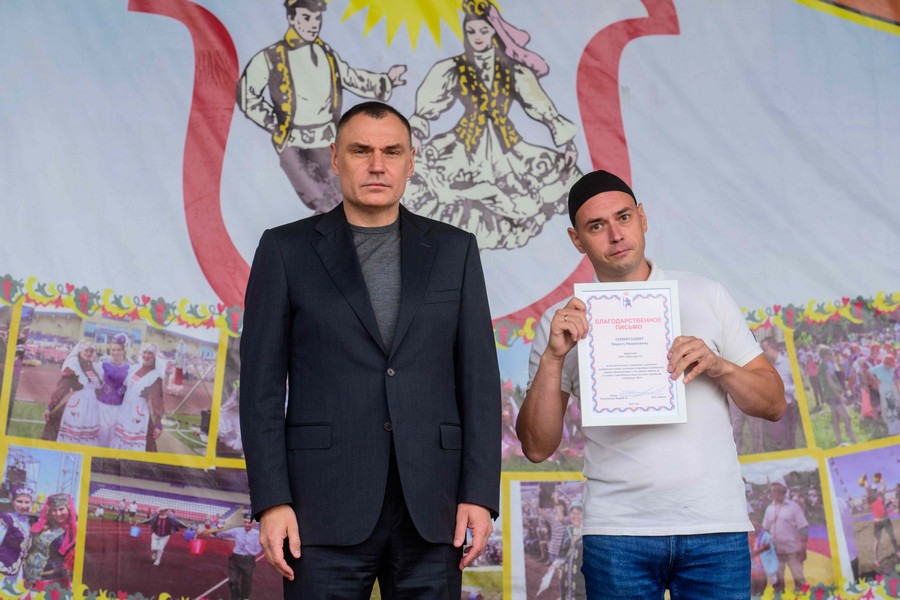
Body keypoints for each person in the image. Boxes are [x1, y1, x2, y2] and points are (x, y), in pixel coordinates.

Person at [240, 101, 501, 598]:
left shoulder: (455, 250)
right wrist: (272, 500)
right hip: (320, 508)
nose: (377, 165)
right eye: (361, 151)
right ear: (335, 159)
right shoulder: (284, 250)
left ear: (411, 161)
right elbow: (260, 390)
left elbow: (480, 382)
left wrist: (479, 493)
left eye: (391, 152)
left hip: (434, 507)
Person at [516, 170, 785, 599]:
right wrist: (553, 357)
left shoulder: (706, 294)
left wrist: (719, 366)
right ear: (576, 240)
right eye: (596, 226)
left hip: (714, 526)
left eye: (623, 217)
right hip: (617, 532)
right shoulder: (560, 321)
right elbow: (535, 447)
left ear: (642, 217)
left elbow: (773, 404)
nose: (615, 234)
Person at [404, 0, 581, 250]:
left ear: (494, 32)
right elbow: (428, 106)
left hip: (506, 148)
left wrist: (566, 140)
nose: (477, 37)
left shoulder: (513, 71)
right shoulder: (454, 68)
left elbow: (540, 106)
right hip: (464, 147)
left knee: (536, 188)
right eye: (471, 31)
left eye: (484, 30)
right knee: (448, 192)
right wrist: (417, 132)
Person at [236, 0, 407, 214]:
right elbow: (247, 94)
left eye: (317, 18)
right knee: (324, 205)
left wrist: (386, 81)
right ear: (291, 18)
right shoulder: (271, 57)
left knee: (344, 206)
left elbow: (351, 77)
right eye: (306, 18)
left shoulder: (325, 53)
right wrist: (273, 124)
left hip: (328, 142)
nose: (313, 24)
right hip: (295, 146)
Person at [42, 341, 101, 445]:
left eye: (91, 351)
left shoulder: (92, 366)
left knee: (86, 438)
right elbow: (63, 388)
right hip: (78, 405)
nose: (89, 353)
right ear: (80, 350)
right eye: (86, 350)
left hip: (92, 406)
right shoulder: (74, 366)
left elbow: (97, 387)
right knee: (72, 436)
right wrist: (50, 407)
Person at [112, 344, 166, 452]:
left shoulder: (155, 376)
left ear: (155, 356)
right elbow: (125, 387)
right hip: (126, 410)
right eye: (145, 352)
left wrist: (158, 424)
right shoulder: (135, 368)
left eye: (150, 353)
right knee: (121, 440)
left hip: (139, 413)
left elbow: (157, 401)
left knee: (143, 444)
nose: (146, 355)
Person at [199, 514, 263, 600]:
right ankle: (235, 596)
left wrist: (250, 552)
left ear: (254, 524)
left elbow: (260, 547)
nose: (247, 524)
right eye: (245, 522)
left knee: (246, 582)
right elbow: (222, 534)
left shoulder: (257, 534)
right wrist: (210, 532)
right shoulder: (237, 530)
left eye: (249, 523)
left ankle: (244, 598)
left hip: (248, 560)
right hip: (235, 559)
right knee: (232, 580)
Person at [23, 493, 77, 591]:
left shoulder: (72, 533)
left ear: (68, 509)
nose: (58, 513)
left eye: (61, 509)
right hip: (29, 579)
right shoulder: (44, 526)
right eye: (54, 510)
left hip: (51, 582)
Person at [762, 478, 808, 593]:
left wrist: (803, 548)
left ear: (784, 491)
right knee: (778, 582)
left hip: (793, 551)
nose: (775, 493)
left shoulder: (794, 507)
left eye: (778, 490)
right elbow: (765, 529)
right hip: (775, 552)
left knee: (799, 579)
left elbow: (803, 528)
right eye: (773, 491)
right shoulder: (769, 509)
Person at [761, 338, 801, 450]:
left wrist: (783, 388)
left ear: (773, 348)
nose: (762, 354)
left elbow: (798, 386)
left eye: (764, 350)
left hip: (789, 407)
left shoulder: (788, 363)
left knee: (790, 440)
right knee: (778, 440)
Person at [818, 345, 857, 445]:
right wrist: (840, 396)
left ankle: (840, 441)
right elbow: (831, 383)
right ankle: (852, 438)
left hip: (831, 395)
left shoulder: (828, 365)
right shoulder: (825, 367)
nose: (831, 355)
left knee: (836, 419)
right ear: (824, 355)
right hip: (833, 395)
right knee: (847, 417)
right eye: (829, 354)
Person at [861, 472, 900, 571]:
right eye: (873, 490)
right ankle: (875, 559)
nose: (874, 491)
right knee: (877, 541)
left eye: (875, 489)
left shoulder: (880, 495)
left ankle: (897, 551)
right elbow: (867, 487)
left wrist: (881, 478)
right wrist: (865, 480)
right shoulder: (869, 497)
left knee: (892, 537)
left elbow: (884, 485)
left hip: (886, 520)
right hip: (878, 522)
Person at [97, 334, 130, 447]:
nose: (115, 352)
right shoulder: (102, 365)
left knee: (115, 438)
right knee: (102, 436)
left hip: (120, 407)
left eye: (118, 350)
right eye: (113, 349)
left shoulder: (129, 368)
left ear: (123, 351)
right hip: (103, 406)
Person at [0, 487, 34, 580]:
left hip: (17, 573)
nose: (23, 506)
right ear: (12, 502)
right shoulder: (6, 520)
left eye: (27, 502)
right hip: (3, 571)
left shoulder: (28, 522)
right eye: (19, 501)